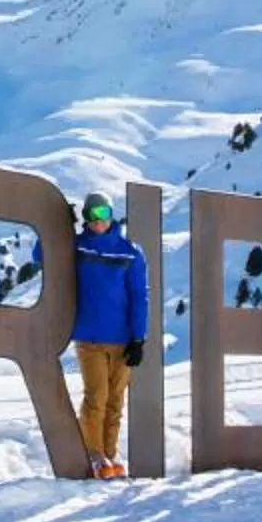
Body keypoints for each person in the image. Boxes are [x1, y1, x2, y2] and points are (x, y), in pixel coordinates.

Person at [64, 190, 148, 479]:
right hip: (89, 338)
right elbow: (41, 254)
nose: (98, 221)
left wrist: (138, 337)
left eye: (103, 214)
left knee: (115, 400)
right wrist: (62, 226)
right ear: (85, 218)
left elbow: (139, 296)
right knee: (96, 396)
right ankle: (95, 454)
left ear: (112, 215)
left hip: (122, 339)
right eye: (92, 215)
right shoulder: (77, 246)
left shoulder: (130, 252)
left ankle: (111, 454)